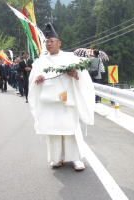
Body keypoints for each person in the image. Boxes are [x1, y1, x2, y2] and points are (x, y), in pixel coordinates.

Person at [28, 23, 95, 171]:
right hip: (49, 102)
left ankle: (76, 159)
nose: (49, 44)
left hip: (67, 101)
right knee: (53, 132)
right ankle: (56, 158)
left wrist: (76, 75)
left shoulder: (71, 58)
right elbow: (33, 80)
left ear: (59, 43)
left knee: (71, 130)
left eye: (52, 41)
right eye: (47, 42)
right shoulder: (41, 61)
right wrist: (37, 79)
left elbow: (83, 78)